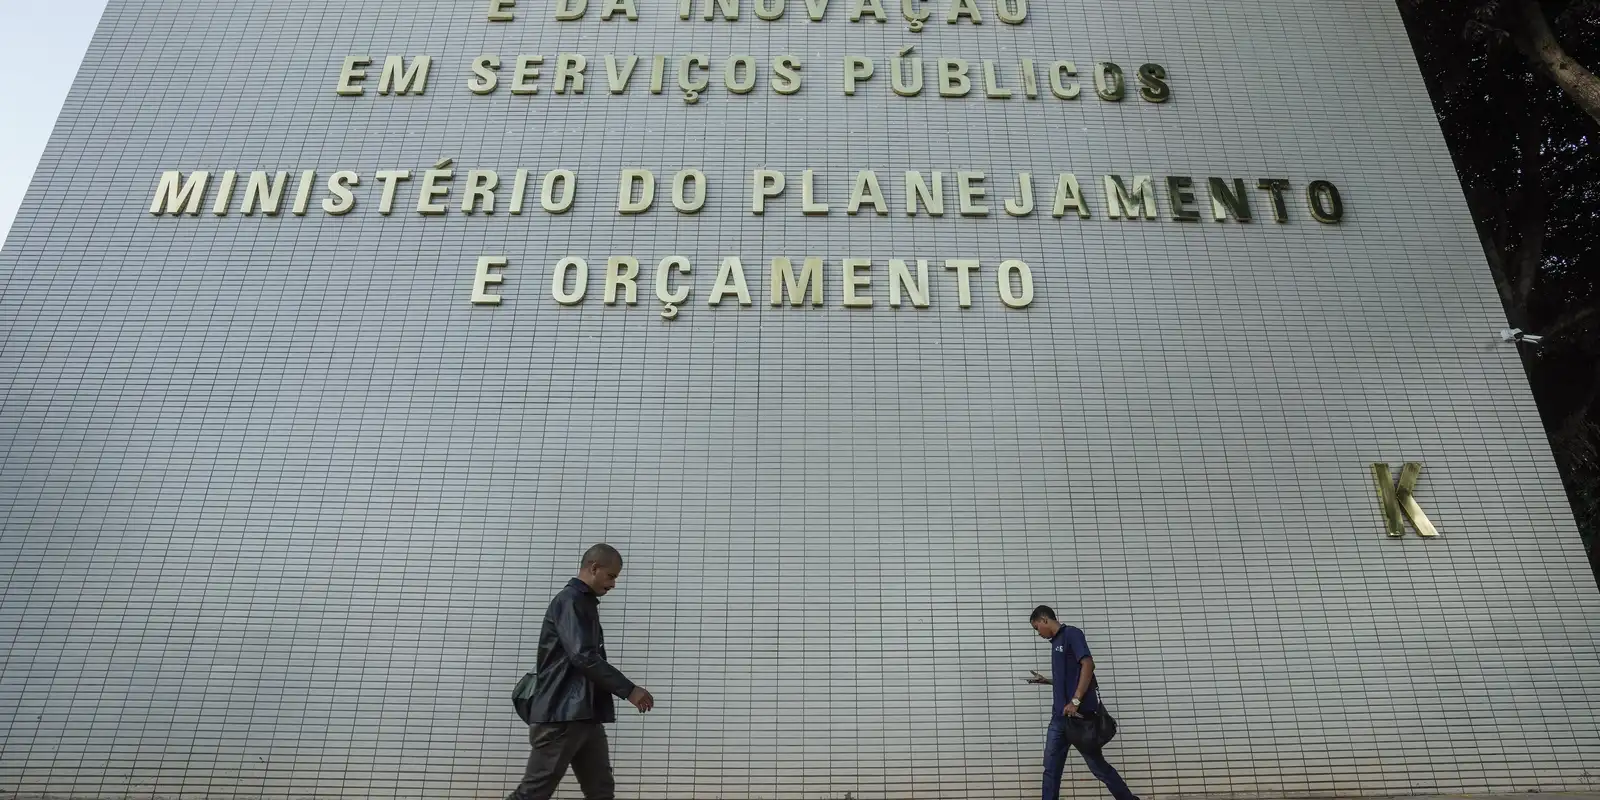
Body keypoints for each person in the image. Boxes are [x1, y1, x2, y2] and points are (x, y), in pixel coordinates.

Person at [506, 544, 655, 800]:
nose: (613, 584)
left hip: (584, 715)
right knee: (533, 794)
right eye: (611, 576)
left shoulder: (582, 602)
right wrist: (629, 690)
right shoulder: (570, 601)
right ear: (594, 568)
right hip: (561, 715)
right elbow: (583, 656)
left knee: (601, 791)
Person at [1026, 605, 1141, 800]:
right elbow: (1069, 677)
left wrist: (1076, 701)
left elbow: (1088, 664)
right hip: (1059, 718)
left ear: (1045, 620)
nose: (1038, 633)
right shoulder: (1055, 643)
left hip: (1079, 719)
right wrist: (1047, 681)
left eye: (1037, 628)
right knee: (1051, 769)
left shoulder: (1072, 634)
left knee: (1098, 767)